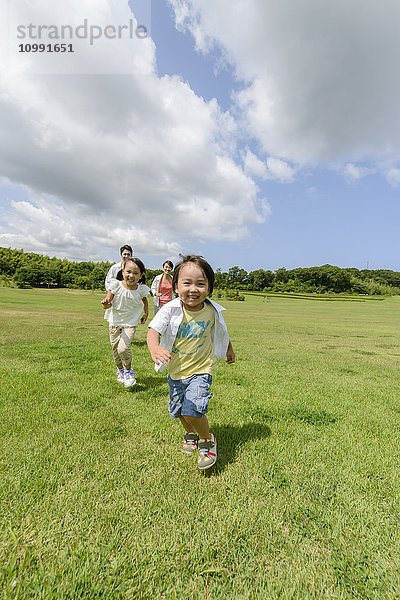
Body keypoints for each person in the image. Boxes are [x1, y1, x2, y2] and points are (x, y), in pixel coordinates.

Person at [147, 255, 235, 471]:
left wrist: (228, 350)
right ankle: (190, 434)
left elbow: (221, 333)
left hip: (201, 369)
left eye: (200, 283)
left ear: (209, 288)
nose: (193, 289)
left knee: (192, 409)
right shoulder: (171, 309)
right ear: (176, 287)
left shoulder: (212, 310)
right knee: (178, 411)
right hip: (177, 371)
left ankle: (207, 441)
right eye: (187, 283)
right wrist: (155, 348)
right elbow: (153, 330)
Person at [102, 257, 149, 388]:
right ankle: (120, 371)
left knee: (123, 348)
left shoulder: (141, 290)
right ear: (123, 271)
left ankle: (128, 371)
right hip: (114, 322)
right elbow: (107, 303)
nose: (131, 276)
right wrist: (105, 304)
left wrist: (146, 313)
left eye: (136, 273)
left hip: (130, 323)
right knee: (115, 350)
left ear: (141, 275)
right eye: (128, 272)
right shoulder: (115, 285)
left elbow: (145, 302)